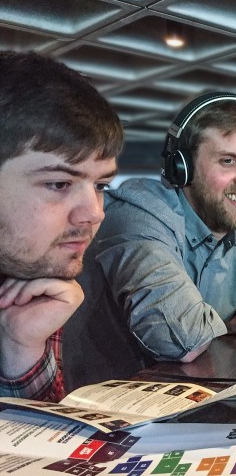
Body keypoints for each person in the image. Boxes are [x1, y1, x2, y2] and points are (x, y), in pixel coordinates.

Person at [67, 92, 236, 388]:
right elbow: (183, 342)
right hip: (97, 411)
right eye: (228, 161)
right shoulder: (140, 213)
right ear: (182, 167)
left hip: (179, 403)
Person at [0, 51, 123, 401]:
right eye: (59, 184)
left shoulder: (35, 274)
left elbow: (36, 445)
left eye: (100, 186)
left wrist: (21, 350)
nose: (94, 213)